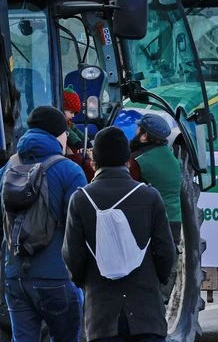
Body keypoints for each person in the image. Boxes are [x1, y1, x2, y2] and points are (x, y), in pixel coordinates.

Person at [0, 105, 88, 342]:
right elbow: (79, 228)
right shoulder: (70, 171)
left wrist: (14, 255)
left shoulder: (6, 169)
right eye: (64, 133)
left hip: (16, 279)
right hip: (58, 278)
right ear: (56, 134)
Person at [63, 126, 175, 342]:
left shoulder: (81, 199)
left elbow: (72, 255)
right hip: (147, 313)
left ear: (95, 160)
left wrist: (85, 282)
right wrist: (155, 282)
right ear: (127, 159)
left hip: (102, 316)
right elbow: (166, 253)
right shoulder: (150, 197)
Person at [130, 114, 182, 245]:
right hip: (174, 223)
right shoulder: (172, 158)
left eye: (138, 128)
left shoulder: (138, 160)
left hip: (152, 224)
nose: (135, 132)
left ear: (144, 136)